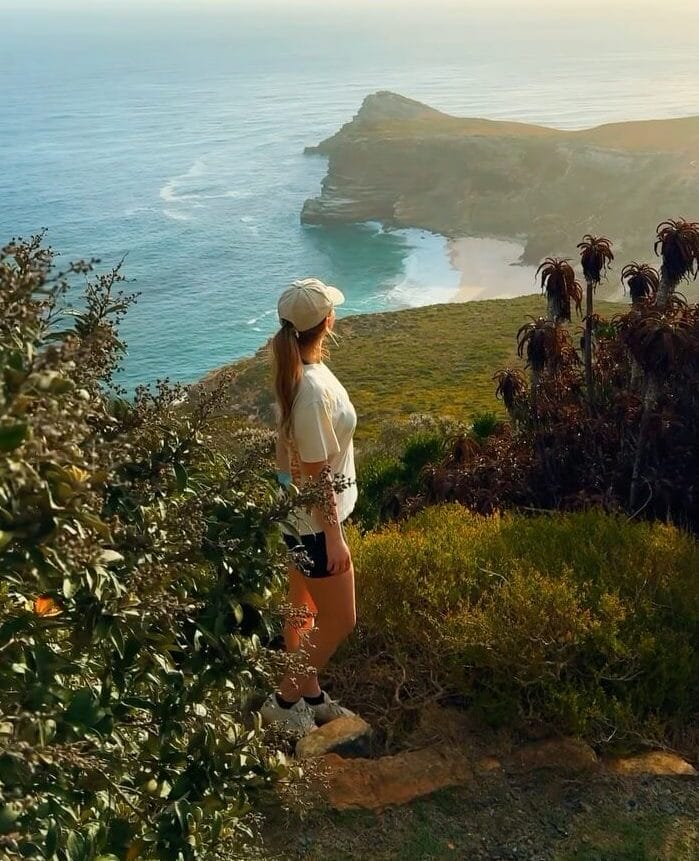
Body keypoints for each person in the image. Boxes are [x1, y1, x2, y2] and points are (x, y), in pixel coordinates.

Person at [261, 278, 358, 734]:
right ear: (327, 322)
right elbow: (319, 476)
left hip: (299, 521)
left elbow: (294, 466)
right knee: (340, 620)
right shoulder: (312, 391)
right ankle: (283, 700)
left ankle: (311, 695)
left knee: (302, 612)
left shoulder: (301, 373)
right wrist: (334, 538)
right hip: (318, 527)